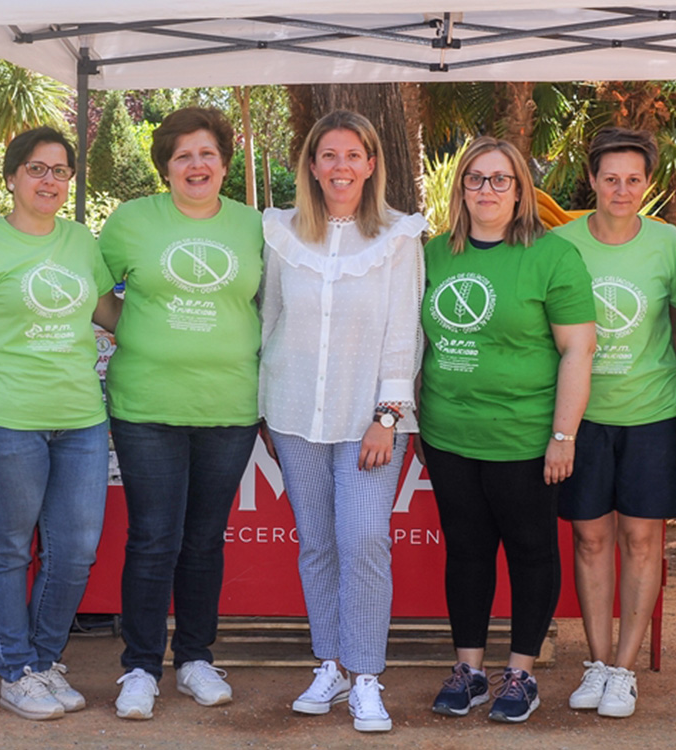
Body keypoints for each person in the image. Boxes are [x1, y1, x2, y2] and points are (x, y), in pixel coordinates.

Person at [0, 127, 120, 721]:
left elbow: (107, 312)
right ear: (12, 176)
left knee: (74, 552)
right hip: (5, 419)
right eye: (37, 169)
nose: (49, 181)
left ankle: (42, 662)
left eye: (60, 171)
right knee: (8, 550)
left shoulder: (80, 242)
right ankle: (15, 671)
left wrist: (165, 298)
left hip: (81, 421)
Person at [419, 136, 596, 724]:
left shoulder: (553, 256)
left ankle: (519, 673)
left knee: (530, 552)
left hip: (526, 437)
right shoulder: (433, 254)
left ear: (520, 190)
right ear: (459, 188)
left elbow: (577, 350)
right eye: (475, 179)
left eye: (500, 180)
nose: (486, 190)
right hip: (448, 434)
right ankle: (468, 670)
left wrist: (563, 436)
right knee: (467, 552)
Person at [260, 110, 426, 734]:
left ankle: (366, 677)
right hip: (294, 412)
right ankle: (328, 662)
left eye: (353, 155)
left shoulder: (399, 237)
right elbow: (270, 321)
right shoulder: (280, 233)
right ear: (311, 164)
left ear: (372, 164)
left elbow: (403, 334)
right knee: (318, 544)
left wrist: (386, 415)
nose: (341, 167)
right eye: (329, 155)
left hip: (371, 421)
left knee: (364, 539)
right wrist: (263, 410)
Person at [98, 107, 263, 720]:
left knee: (202, 540)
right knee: (152, 539)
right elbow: (91, 290)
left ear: (225, 161)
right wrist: (137, 331)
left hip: (229, 406)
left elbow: (274, 305)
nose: (197, 165)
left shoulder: (255, 228)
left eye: (207, 153)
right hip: (147, 406)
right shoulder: (132, 221)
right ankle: (140, 666)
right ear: (166, 167)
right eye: (183, 156)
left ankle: (194, 657)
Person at [552, 128, 676, 719]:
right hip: (582, 420)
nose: (622, 189)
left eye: (634, 179)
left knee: (641, 540)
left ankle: (625, 671)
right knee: (589, 538)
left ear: (647, 182)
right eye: (611, 178)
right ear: (592, 178)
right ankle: (598, 662)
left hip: (653, 415)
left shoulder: (671, 244)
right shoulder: (559, 244)